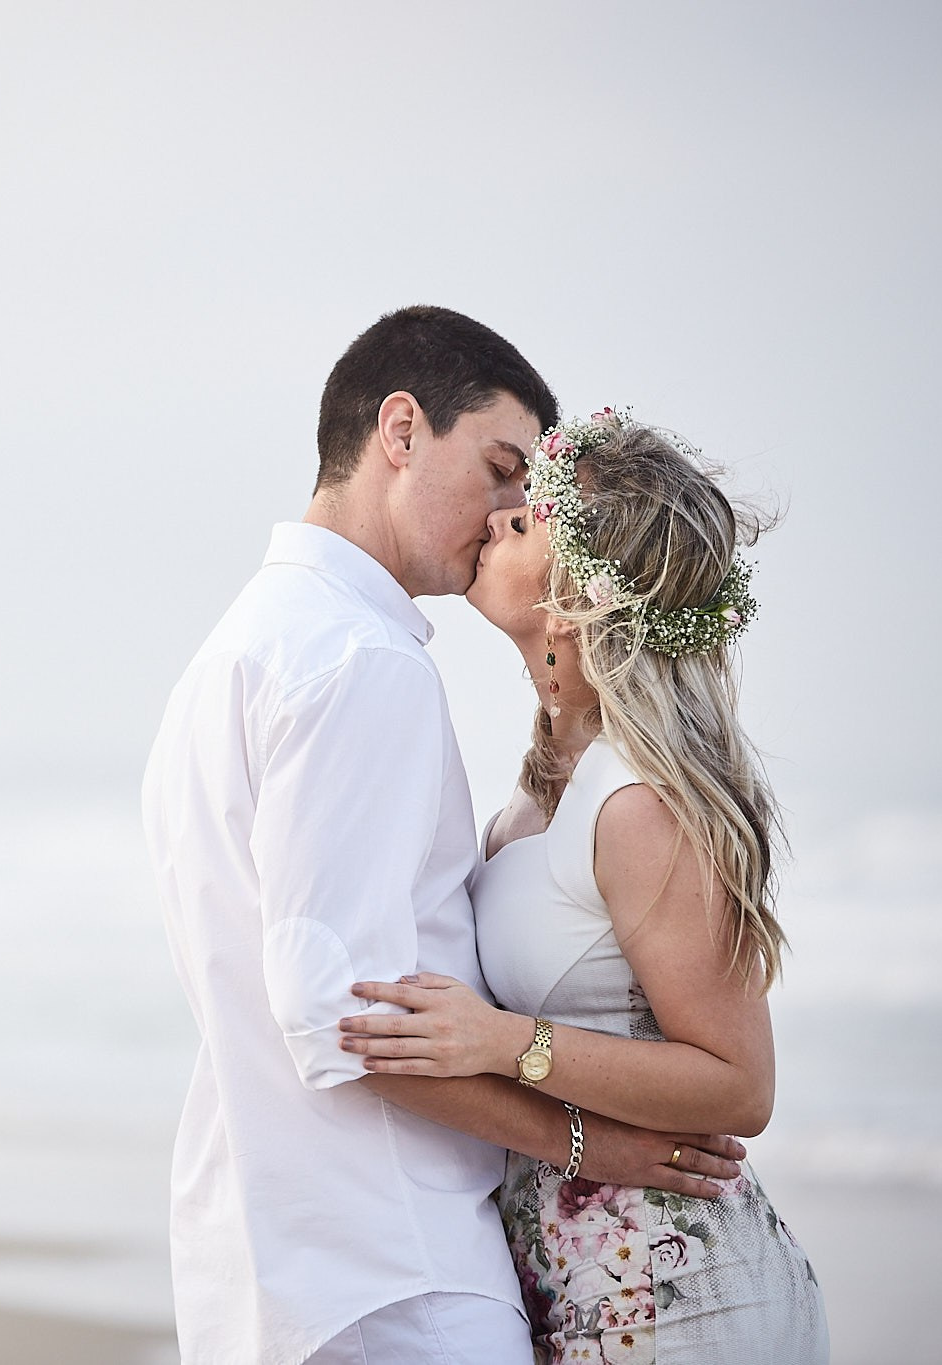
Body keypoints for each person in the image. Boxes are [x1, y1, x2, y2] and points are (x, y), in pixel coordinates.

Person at [142, 308, 746, 1365]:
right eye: (500, 468)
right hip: (390, 1266)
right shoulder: (359, 662)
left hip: (272, 1254)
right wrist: (586, 1142)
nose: (511, 511)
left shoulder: (235, 652)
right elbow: (340, 1016)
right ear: (402, 429)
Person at [337, 410, 829, 1362]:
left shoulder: (638, 801)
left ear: (576, 601)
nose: (498, 517)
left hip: (685, 1299)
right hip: (576, 1290)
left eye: (530, 521)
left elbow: (740, 1083)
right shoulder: (543, 785)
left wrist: (500, 1041)